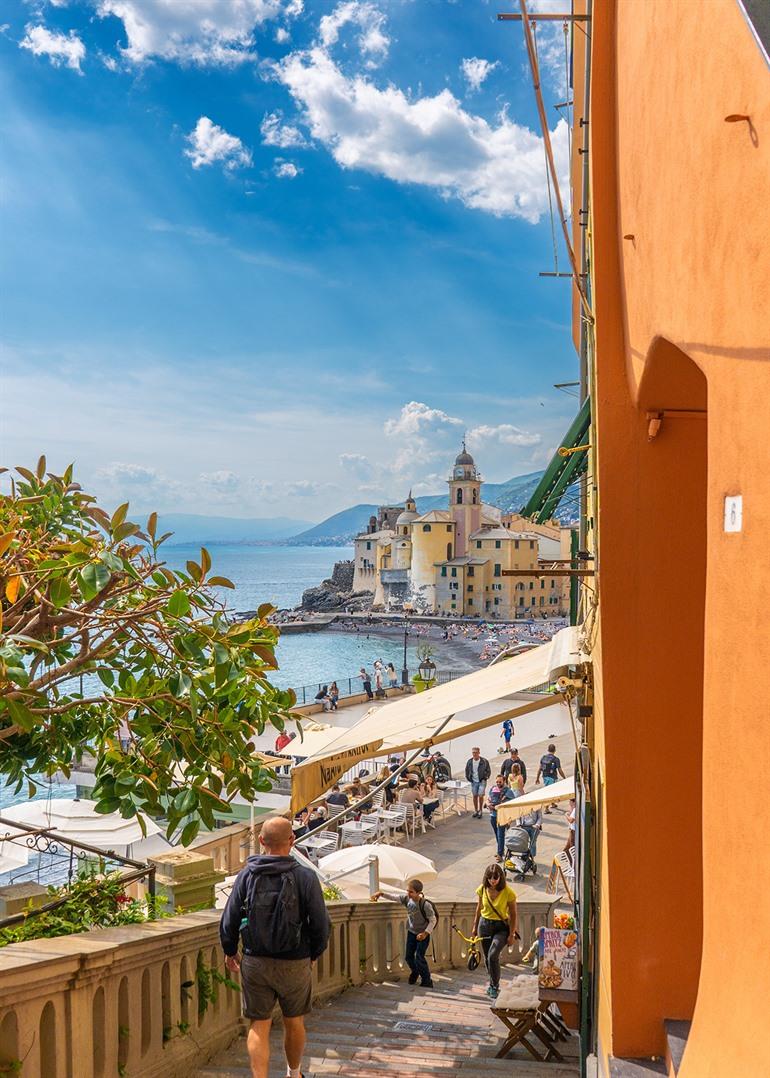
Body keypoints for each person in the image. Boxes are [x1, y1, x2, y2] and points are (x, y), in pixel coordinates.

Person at [220, 817, 331, 1078]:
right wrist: (313, 954)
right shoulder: (305, 877)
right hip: (295, 961)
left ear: (261, 842)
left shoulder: (246, 875)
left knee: (259, 1024)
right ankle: (294, 1073)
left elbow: (230, 919)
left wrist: (229, 950)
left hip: (255, 960)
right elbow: (320, 923)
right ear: (292, 841)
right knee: (294, 1021)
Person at [371, 878, 436, 988]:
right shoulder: (406, 899)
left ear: (419, 893)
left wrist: (425, 933)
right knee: (408, 957)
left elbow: (433, 920)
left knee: (419, 957)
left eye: (411, 892)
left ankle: (427, 980)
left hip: (423, 935)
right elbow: (394, 897)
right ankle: (415, 972)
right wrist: (381, 894)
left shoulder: (425, 905)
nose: (408, 893)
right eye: (407, 891)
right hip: (411, 932)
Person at [470, 862, 519, 999]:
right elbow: (479, 908)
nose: (493, 881)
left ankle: (494, 986)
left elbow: (514, 914)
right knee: (487, 958)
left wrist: (512, 933)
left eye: (495, 878)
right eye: (490, 878)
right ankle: (492, 982)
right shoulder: (482, 889)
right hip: (484, 924)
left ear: (500, 878)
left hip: (501, 927)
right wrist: (474, 927)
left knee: (493, 955)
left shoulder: (508, 892)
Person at [486, 774, 516, 861]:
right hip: (493, 815)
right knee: (496, 834)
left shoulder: (508, 791)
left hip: (502, 816)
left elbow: (511, 803)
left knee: (500, 835)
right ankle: (501, 851)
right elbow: (488, 799)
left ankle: (500, 854)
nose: (498, 783)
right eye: (497, 782)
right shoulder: (493, 789)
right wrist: (488, 804)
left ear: (504, 781)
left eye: (500, 782)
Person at [535, 743, 566, 813]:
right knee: (549, 792)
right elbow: (559, 770)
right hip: (552, 777)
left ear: (548, 750)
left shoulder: (543, 757)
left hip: (545, 777)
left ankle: (552, 803)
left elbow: (540, 769)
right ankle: (546, 808)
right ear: (555, 750)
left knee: (551, 791)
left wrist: (537, 778)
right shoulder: (556, 759)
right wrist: (564, 778)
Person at [465, 747, 492, 819]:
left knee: (480, 795)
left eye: (476, 752)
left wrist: (485, 777)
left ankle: (480, 810)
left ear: (479, 753)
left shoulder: (484, 761)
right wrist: (469, 778)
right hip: (474, 781)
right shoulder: (469, 762)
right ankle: (476, 810)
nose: (474, 754)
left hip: (482, 781)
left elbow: (488, 770)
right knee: (475, 795)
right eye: (473, 752)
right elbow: (467, 771)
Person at [565, 798, 576, 862]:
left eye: (570, 802)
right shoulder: (574, 809)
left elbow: (571, 820)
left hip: (573, 831)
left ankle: (570, 862)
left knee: (571, 848)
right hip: (572, 830)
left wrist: (566, 815)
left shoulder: (575, 809)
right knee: (567, 848)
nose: (569, 803)